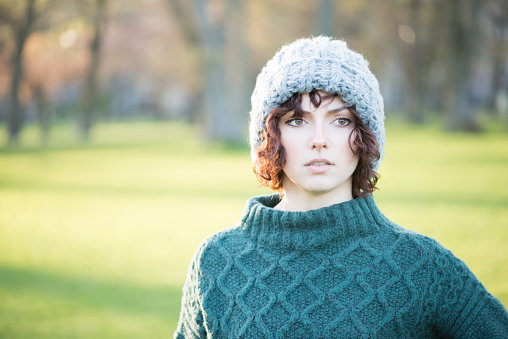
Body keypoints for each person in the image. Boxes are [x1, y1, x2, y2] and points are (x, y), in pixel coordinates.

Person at [174, 36, 508, 338]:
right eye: (296, 120)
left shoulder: (421, 265)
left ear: (364, 135)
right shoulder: (217, 261)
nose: (319, 140)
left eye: (341, 120)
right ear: (269, 135)